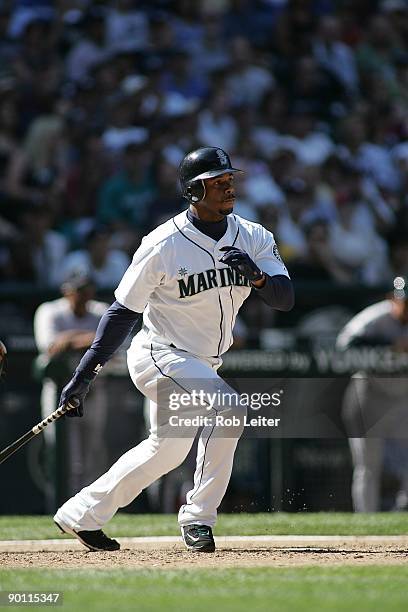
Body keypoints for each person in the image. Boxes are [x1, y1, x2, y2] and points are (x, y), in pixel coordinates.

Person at [53, 147, 294, 552]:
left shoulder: (254, 236)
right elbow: (121, 312)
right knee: (230, 408)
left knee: (165, 450)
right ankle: (198, 518)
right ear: (192, 191)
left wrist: (256, 277)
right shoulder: (162, 242)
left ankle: (81, 514)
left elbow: (284, 298)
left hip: (202, 362)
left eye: (229, 179)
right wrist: (84, 375)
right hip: (159, 354)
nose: (227, 187)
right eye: (216, 182)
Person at [33, 272, 110, 509]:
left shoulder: (100, 310)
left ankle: (85, 509)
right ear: (67, 291)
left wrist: (70, 340)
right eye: (79, 291)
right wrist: (91, 340)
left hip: (95, 391)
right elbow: (51, 347)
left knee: (91, 455)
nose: (84, 296)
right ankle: (61, 507)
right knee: (64, 456)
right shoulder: (50, 310)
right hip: (59, 392)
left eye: (87, 291)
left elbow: (113, 341)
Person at [336, 276, 408, 512]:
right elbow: (345, 345)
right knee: (368, 464)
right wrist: (387, 346)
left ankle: (402, 510)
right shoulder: (376, 317)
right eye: (403, 301)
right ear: (393, 299)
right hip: (370, 394)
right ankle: (366, 521)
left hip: (401, 395)